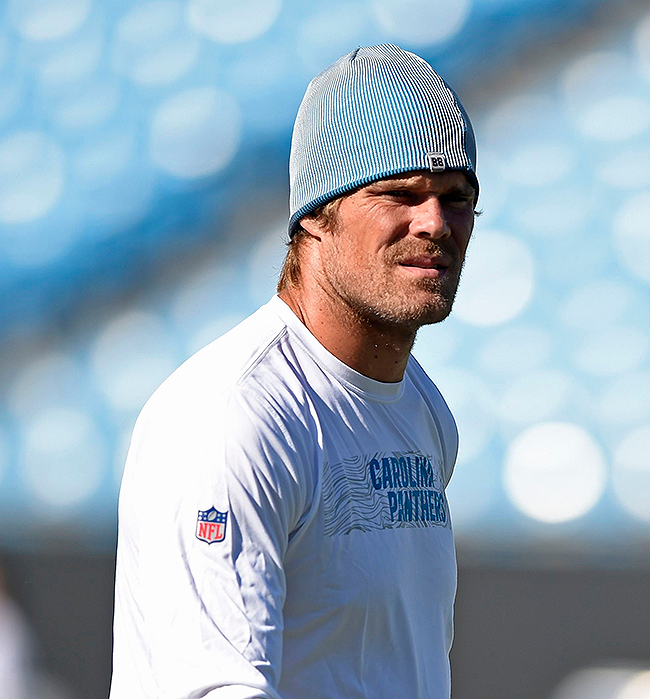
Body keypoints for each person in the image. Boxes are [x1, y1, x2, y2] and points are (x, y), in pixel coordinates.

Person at [109, 43, 478, 699]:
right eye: (399, 190)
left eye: (456, 197)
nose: (435, 222)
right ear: (315, 212)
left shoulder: (424, 411)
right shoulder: (234, 414)